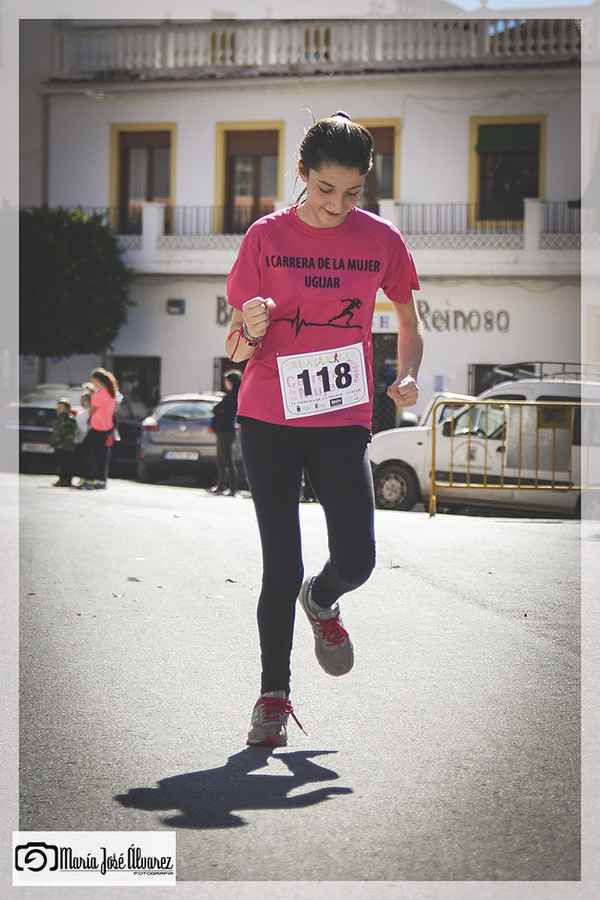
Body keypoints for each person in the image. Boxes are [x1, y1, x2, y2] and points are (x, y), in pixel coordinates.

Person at [225, 111, 424, 747]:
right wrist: (250, 326)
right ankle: (273, 697)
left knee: (358, 559)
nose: (338, 205)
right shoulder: (264, 237)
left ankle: (323, 599)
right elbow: (234, 346)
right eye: (325, 189)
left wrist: (407, 373)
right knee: (280, 566)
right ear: (302, 174)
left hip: (341, 416)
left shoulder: (382, 240)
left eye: (353, 192)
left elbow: (409, 323)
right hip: (268, 416)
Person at [77, 368, 119, 490]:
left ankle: (87, 479)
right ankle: (101, 480)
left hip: (97, 427)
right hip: (108, 426)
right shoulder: (112, 393)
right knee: (101, 454)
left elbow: (91, 410)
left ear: (96, 380)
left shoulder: (99, 394)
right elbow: (115, 407)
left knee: (83, 452)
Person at [208, 369, 243, 496]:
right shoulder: (231, 395)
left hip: (226, 431)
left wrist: (220, 409)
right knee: (221, 458)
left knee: (227, 459)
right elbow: (218, 409)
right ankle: (221, 485)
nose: (225, 383)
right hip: (223, 430)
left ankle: (232, 487)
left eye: (227, 381)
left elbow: (217, 408)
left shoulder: (233, 395)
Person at [49, 397, 78, 486]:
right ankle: (63, 479)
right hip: (62, 445)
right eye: (58, 407)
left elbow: (61, 433)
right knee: (62, 463)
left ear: (67, 409)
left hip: (65, 445)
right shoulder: (59, 418)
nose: (58, 409)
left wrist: (53, 443)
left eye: (61, 407)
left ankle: (66, 480)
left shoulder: (67, 419)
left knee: (66, 463)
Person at [72, 387, 93, 485]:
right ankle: (81, 477)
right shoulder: (80, 412)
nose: (83, 402)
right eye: (82, 400)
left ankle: (86, 478)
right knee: (77, 458)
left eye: (85, 400)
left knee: (85, 459)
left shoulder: (90, 412)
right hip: (78, 438)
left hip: (86, 438)